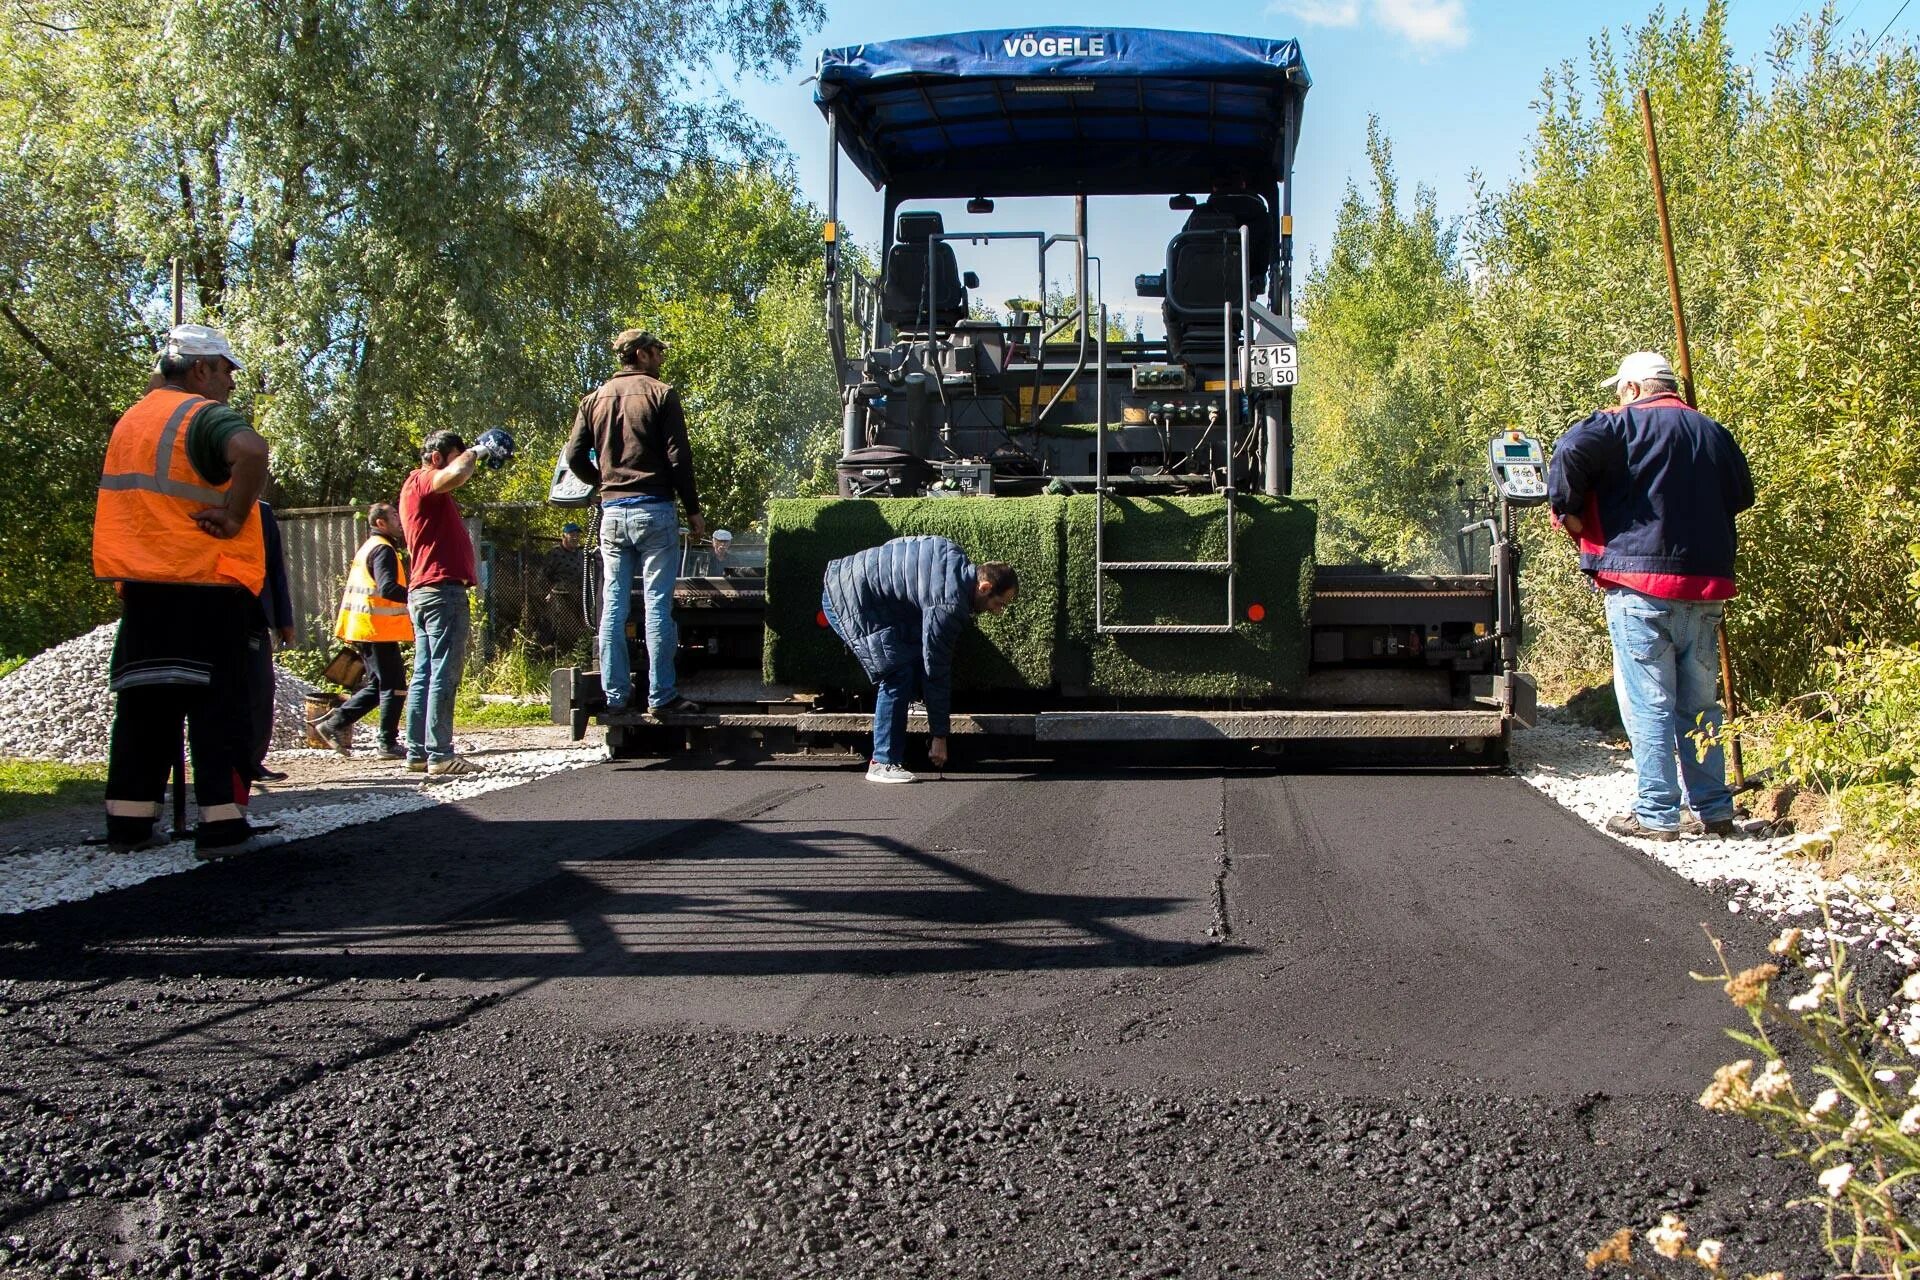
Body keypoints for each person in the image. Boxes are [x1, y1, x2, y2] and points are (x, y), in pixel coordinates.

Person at [1548, 350, 1755, 842]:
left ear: (1634, 389)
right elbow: (1741, 497)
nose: (1619, 399)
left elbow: (1569, 450)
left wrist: (1568, 512)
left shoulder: (1617, 426)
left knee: (1649, 701)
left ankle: (1658, 814)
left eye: (1621, 392)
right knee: (1701, 706)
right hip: (1705, 590)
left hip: (1638, 586)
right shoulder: (1714, 432)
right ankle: (1714, 808)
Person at [93, 323, 271, 858]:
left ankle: (128, 823)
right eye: (226, 371)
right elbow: (251, 450)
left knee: (146, 706)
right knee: (217, 705)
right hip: (204, 583)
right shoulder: (201, 415)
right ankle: (221, 826)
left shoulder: (131, 422)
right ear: (200, 369)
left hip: (144, 588)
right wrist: (235, 514)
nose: (231, 384)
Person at [562, 328, 704, 717]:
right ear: (640, 354)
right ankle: (662, 696)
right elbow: (679, 459)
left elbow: (574, 457)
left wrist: (603, 483)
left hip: (612, 514)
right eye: (657, 351)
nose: (661, 357)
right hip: (654, 510)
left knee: (613, 606)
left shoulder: (593, 400)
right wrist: (693, 511)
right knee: (658, 606)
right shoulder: (661, 394)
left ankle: (616, 696)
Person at [820, 535, 1018, 783]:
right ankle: (882, 762)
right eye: (999, 603)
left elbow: (898, 545)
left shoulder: (953, 553)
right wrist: (940, 737)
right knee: (897, 673)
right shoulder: (948, 604)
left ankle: (908, 707)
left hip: (852, 579)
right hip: (849, 598)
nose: (998, 611)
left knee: (910, 654)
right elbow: (936, 669)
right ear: (984, 587)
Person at [400, 429, 506, 777]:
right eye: (456, 454)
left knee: (425, 673)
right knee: (443, 672)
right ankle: (441, 754)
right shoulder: (424, 481)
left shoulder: (419, 490)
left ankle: (418, 752)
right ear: (435, 458)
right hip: (441, 591)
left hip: (427, 591)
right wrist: (477, 449)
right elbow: (456, 473)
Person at [311, 502, 412, 759]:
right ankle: (386, 743)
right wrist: (415, 595)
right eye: (394, 517)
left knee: (381, 685)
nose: (400, 521)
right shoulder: (383, 550)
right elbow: (388, 588)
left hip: (366, 626)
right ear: (380, 523)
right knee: (394, 686)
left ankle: (333, 723)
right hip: (375, 628)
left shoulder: (370, 546)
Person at [250, 501, 297, 782]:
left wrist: (284, 619)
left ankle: (251, 760)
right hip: (216, 611)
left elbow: (275, 568)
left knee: (259, 691)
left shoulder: (263, 513)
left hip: (253, 615)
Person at [537, 521, 588, 651]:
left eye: (577, 534)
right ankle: (547, 647)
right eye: (572, 534)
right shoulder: (555, 553)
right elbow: (543, 575)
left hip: (577, 594)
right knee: (554, 621)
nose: (575, 537)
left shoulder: (580, 554)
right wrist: (547, 592)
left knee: (581, 621)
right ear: (564, 536)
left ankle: (577, 649)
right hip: (559, 594)